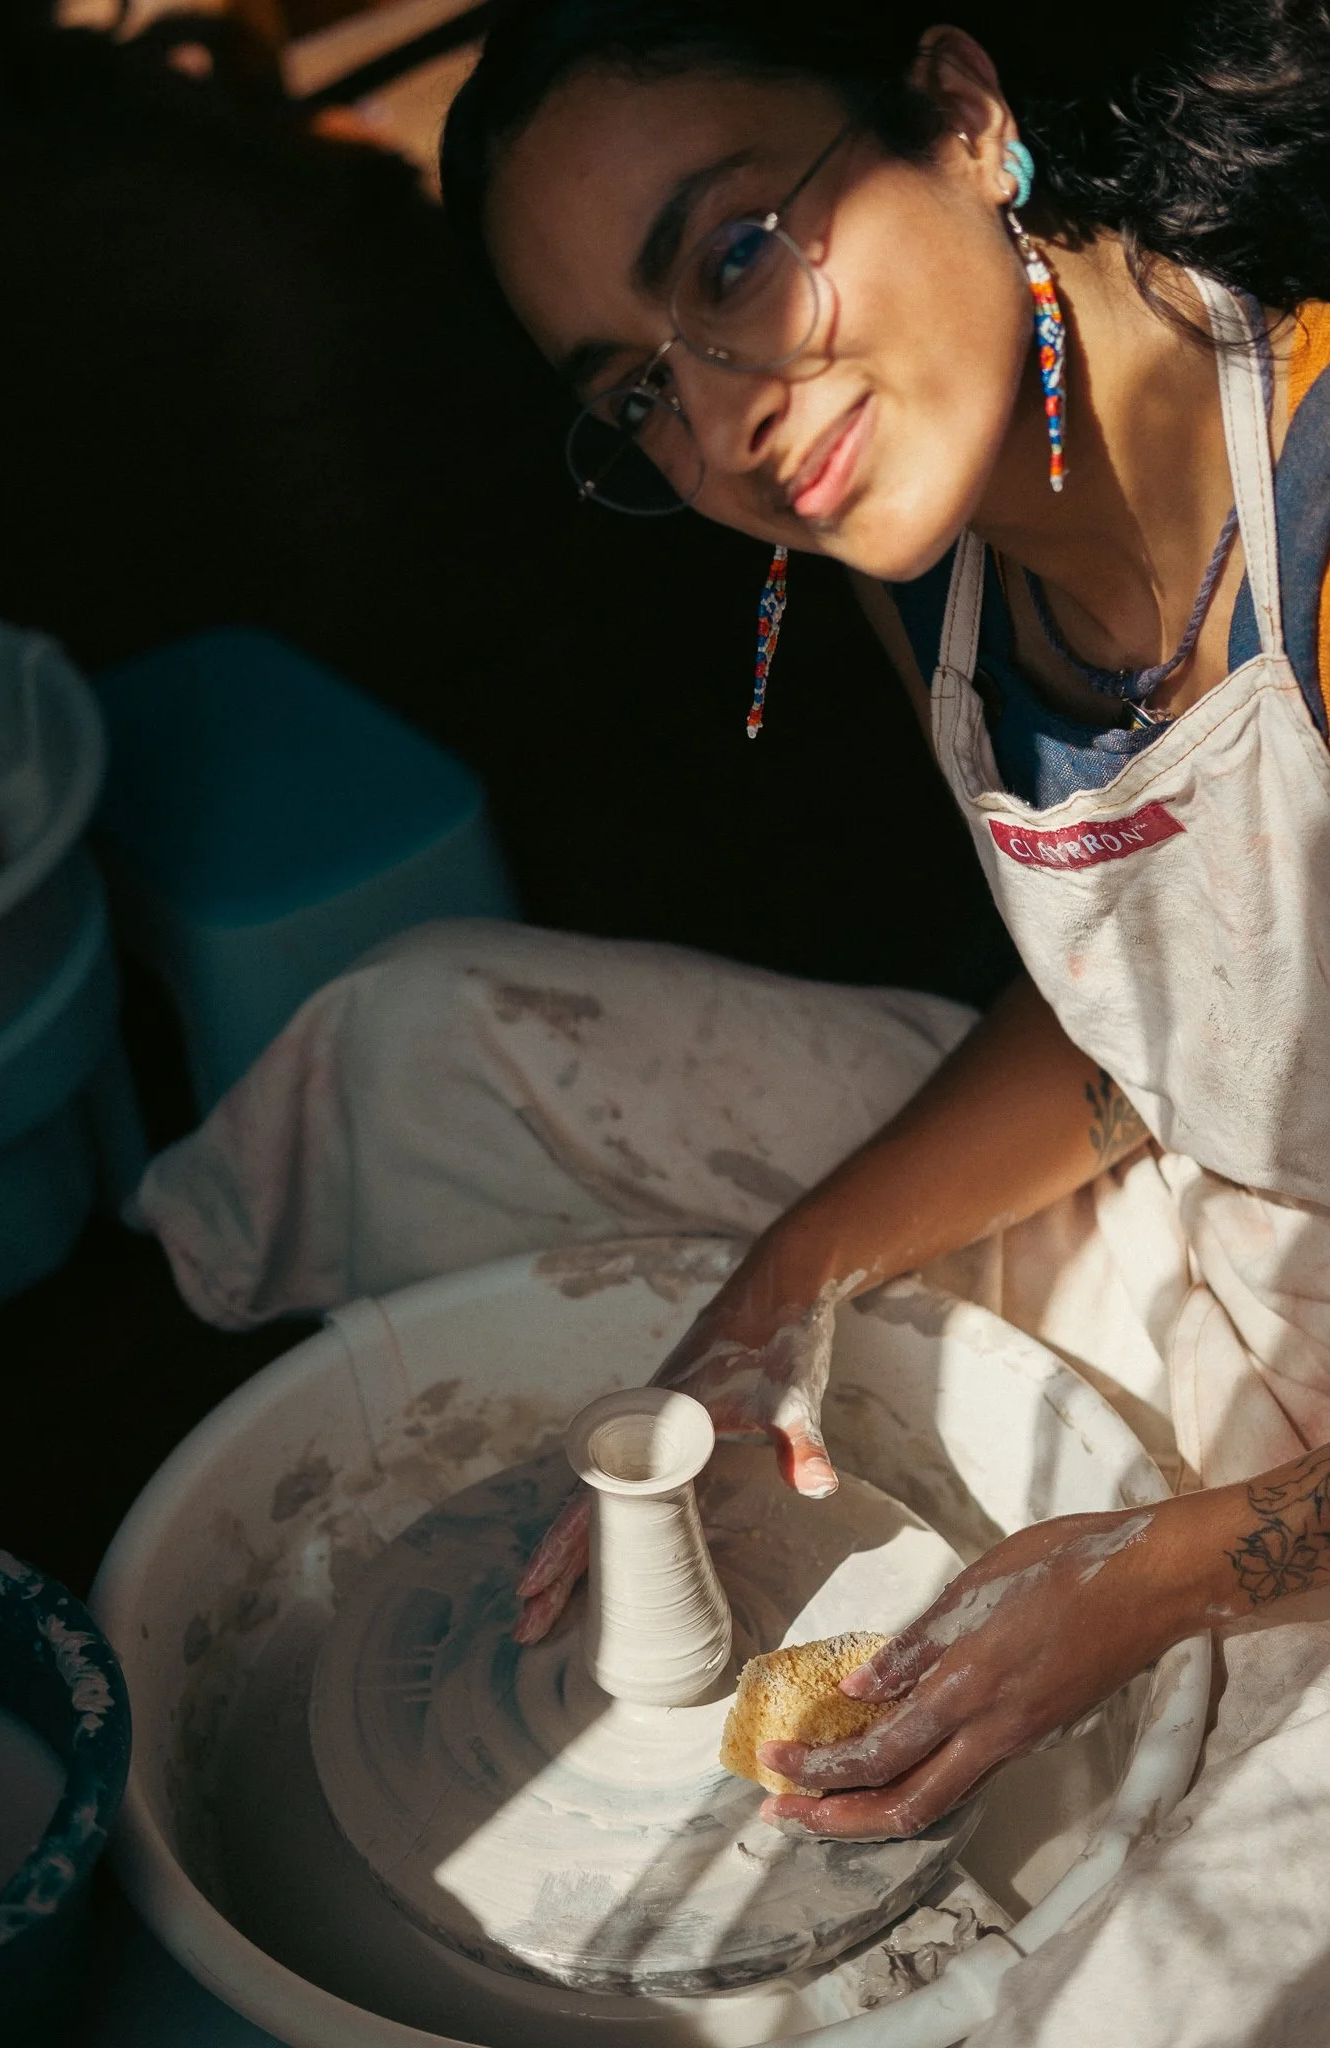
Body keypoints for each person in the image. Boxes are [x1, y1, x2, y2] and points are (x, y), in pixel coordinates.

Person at [134, 2, 1330, 2034]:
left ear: (959, 119)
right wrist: (783, 1289)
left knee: (1155, 2001)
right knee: (421, 1045)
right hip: (1215, 1238)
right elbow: (1146, 998)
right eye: (633, 391)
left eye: (732, 255)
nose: (722, 418)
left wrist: (1146, 1575)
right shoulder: (927, 547)